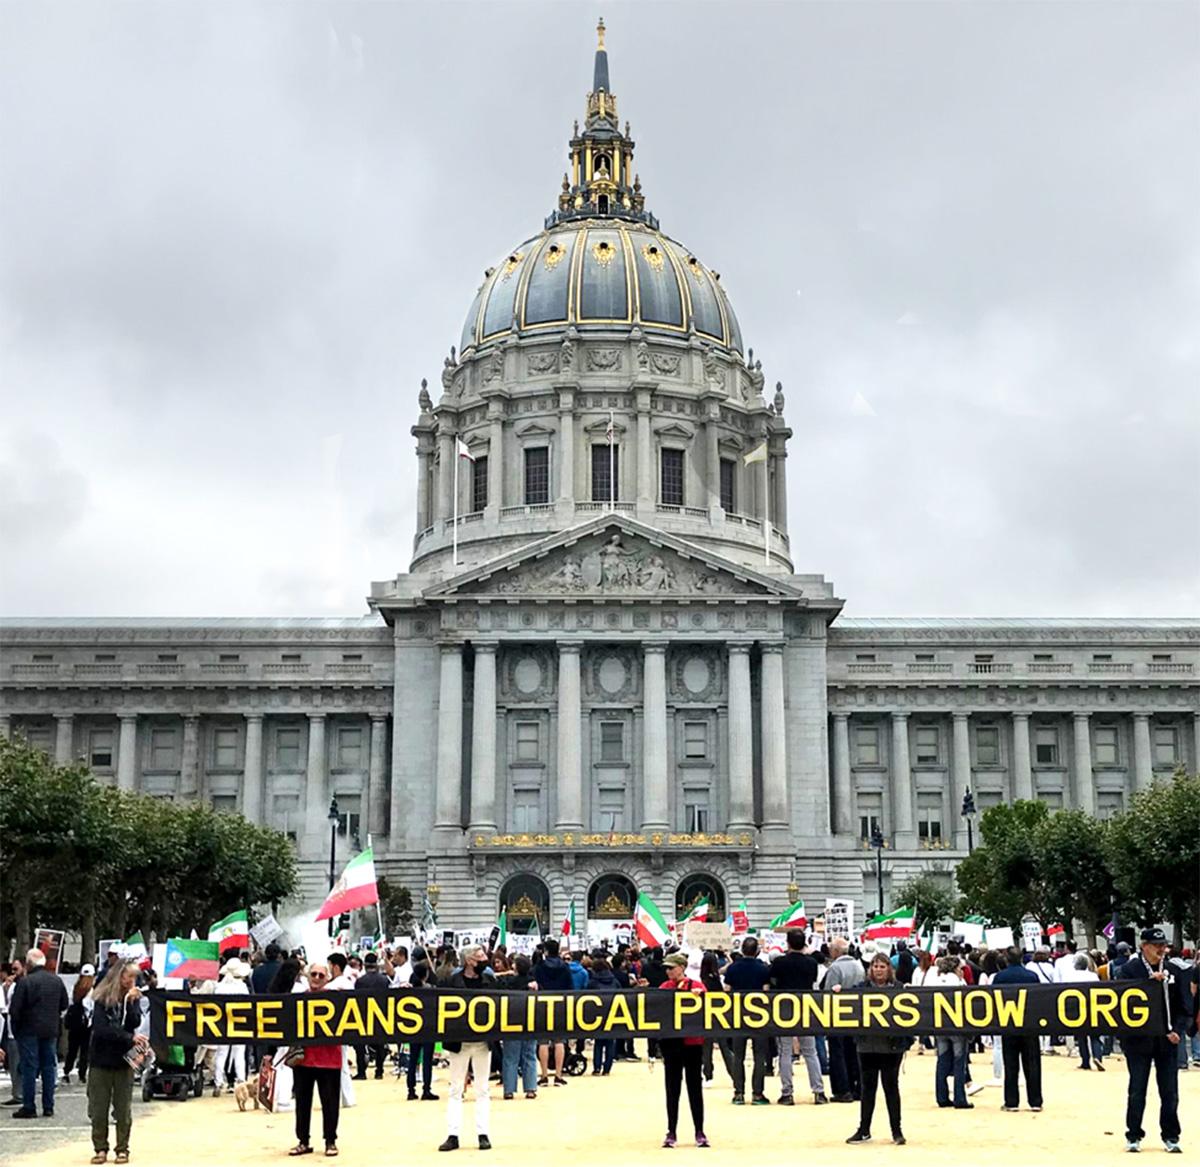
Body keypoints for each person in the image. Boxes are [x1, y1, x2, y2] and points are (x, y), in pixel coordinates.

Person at [1115, 926, 1188, 1153]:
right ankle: (1133, 1134)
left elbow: (1184, 1006)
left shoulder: (1174, 970)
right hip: (1139, 1041)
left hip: (1167, 1040)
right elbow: (1121, 1005)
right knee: (1137, 1088)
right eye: (1156, 946)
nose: (1161, 950)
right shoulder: (1129, 971)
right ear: (1143, 947)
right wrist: (1148, 983)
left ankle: (1171, 1135)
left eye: (1163, 946)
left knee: (1169, 1091)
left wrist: (1179, 1030)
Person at [86, 960, 145, 1165]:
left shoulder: (131, 997)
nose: (132, 981)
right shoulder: (101, 998)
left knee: (123, 1108)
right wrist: (128, 1038)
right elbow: (101, 1029)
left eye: (134, 977)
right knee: (98, 1108)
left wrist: (132, 1004)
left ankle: (123, 1149)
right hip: (101, 1059)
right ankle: (100, 1148)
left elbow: (134, 1023)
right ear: (119, 976)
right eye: (129, 976)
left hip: (124, 1061)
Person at [846, 954, 906, 1145]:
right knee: (867, 1089)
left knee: (891, 1088)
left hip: (891, 1047)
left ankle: (897, 1131)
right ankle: (864, 1129)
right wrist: (838, 991)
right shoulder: (861, 989)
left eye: (882, 966)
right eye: (875, 966)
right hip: (867, 1046)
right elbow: (846, 1000)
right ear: (870, 968)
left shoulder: (899, 989)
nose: (878, 970)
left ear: (889, 968)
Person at [439, 945, 495, 1152]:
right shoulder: (451, 982)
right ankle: (453, 1135)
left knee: (483, 1089)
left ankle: (483, 1134)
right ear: (470, 960)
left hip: (483, 1042)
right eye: (480, 956)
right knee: (455, 1089)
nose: (484, 958)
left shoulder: (490, 980)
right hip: (459, 1043)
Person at [290, 962, 342, 1158]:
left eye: (321, 975)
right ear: (307, 975)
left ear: (328, 978)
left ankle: (330, 1141)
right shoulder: (297, 1000)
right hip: (304, 1060)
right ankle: (303, 1140)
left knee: (330, 1104)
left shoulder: (338, 999)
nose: (317, 978)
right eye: (314, 974)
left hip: (330, 1059)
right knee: (302, 1104)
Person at [768, 931, 827, 1105]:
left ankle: (787, 1093)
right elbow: (813, 980)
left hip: (784, 1008)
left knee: (785, 1051)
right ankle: (819, 1091)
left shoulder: (779, 962)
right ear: (804, 944)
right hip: (805, 1007)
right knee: (810, 1051)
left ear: (788, 943)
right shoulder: (811, 963)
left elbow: (773, 982)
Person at [10, 946, 69, 1119]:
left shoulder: (25, 982)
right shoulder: (56, 981)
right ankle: (48, 1105)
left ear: (28, 964)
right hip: (50, 1030)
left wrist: (17, 1029)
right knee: (48, 1068)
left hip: (28, 1030)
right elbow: (64, 1005)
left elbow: (15, 1010)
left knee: (29, 1067)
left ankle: (29, 1106)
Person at [659, 953, 709, 1148]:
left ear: (682, 967)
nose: (668, 971)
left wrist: (699, 997)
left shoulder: (696, 986)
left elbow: (709, 1005)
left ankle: (699, 1130)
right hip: (671, 1044)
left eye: (672, 967)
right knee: (672, 1089)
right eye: (667, 968)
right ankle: (671, 1131)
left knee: (694, 1088)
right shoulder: (664, 988)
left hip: (692, 1043)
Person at [722, 937, 772, 1105]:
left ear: (742, 950)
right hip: (758, 1015)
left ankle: (739, 1093)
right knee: (759, 1055)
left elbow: (727, 990)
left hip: (738, 1015)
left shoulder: (733, 968)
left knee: (738, 1056)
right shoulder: (763, 969)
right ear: (757, 951)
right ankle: (758, 1093)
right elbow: (766, 992)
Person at [993, 946, 1043, 1112]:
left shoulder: (1000, 977)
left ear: (1007, 960)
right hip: (1029, 1024)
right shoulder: (1032, 976)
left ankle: (1011, 1101)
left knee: (1011, 1064)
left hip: (1009, 1023)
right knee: (1033, 1064)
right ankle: (1035, 1101)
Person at [824, 937, 865, 1103]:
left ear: (835, 951)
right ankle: (857, 1088)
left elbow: (828, 993)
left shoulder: (835, 968)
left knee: (837, 1053)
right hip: (856, 1015)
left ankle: (842, 1090)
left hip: (838, 1016)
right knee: (853, 1052)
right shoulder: (859, 966)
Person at [929, 956, 971, 1110]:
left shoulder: (935, 980)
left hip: (940, 1025)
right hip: (957, 1026)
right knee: (959, 1062)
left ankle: (942, 1097)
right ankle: (960, 1098)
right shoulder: (959, 982)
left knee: (942, 1061)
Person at [532, 939, 572, 1087]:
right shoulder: (565, 967)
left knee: (542, 1040)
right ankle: (558, 1075)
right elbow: (570, 987)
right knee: (559, 1040)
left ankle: (543, 1075)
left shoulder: (539, 967)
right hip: (560, 1005)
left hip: (542, 1005)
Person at [210, 958, 251, 1095]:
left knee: (221, 1054)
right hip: (239, 1023)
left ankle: (218, 1082)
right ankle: (241, 1081)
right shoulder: (242, 987)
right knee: (239, 1054)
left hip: (222, 1023)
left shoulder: (220, 987)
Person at [500, 955, 538, 1100]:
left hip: (512, 1022)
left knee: (510, 1057)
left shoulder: (509, 982)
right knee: (530, 1055)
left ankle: (509, 1090)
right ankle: (530, 1088)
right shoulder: (534, 984)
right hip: (530, 1022)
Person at [1059, 953, 1104, 1070]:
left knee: (1081, 1036)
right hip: (1092, 1007)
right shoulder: (1093, 976)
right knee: (1095, 1035)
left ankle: (1085, 1061)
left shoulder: (1069, 976)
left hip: (1077, 1009)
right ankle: (1098, 1057)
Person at [353, 954, 390, 1080]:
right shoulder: (384, 980)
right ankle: (379, 1071)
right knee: (380, 1044)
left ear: (364, 965)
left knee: (360, 1045)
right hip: (380, 1015)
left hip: (363, 1015)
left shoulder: (360, 981)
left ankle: (361, 1071)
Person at [406, 962, 439, 1102]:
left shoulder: (408, 990)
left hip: (413, 1029)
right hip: (428, 1028)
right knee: (427, 1060)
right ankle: (426, 1089)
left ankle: (411, 1090)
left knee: (413, 1060)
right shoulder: (431, 990)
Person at [586, 955, 620, 1076]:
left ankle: (596, 1067)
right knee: (610, 1042)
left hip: (598, 1013)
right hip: (613, 1012)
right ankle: (607, 1068)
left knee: (599, 1043)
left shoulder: (592, 982)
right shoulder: (615, 981)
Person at [63, 964, 95, 1085]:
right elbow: (90, 1007)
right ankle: (82, 1074)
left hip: (74, 1023)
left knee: (72, 1048)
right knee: (85, 1050)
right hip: (86, 1024)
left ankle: (67, 1071)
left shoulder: (75, 988)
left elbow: (71, 1003)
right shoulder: (92, 990)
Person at [1, 959, 25, 1106]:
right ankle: (17, 1092)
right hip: (10, 1029)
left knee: (18, 1063)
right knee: (13, 1063)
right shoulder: (6, 986)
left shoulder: (20, 986)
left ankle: (19, 1093)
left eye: (16, 970)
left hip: (16, 1030)